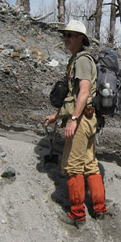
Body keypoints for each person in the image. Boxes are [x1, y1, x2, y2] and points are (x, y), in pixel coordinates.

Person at [44, 20, 107, 228]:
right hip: (89, 118)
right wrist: (57, 116)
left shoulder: (81, 60)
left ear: (81, 39)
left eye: (71, 35)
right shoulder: (79, 60)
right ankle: (99, 209)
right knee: (90, 164)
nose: (66, 38)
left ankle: (77, 214)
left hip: (82, 120)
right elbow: (74, 97)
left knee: (72, 165)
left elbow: (84, 92)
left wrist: (72, 119)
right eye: (65, 35)